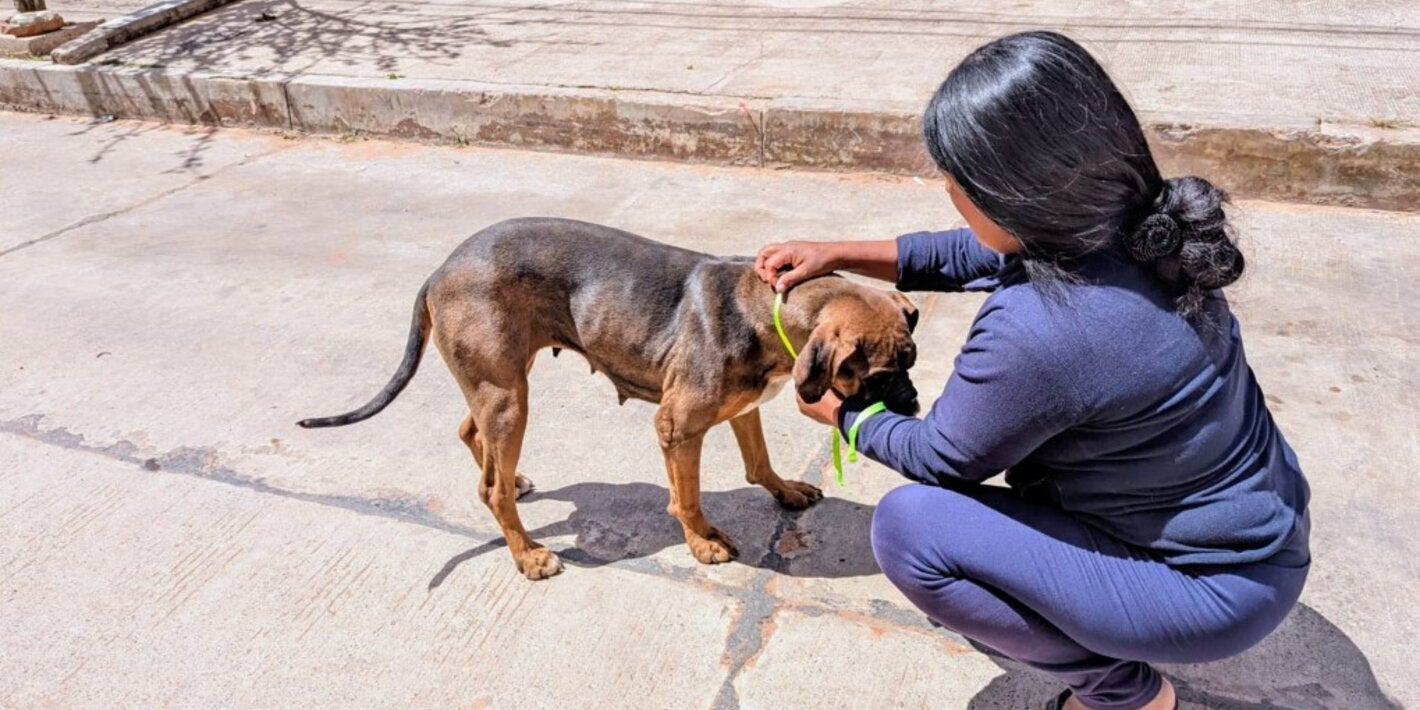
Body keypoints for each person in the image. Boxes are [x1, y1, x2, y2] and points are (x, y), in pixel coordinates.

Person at [754, 31, 1310, 710]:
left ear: (1008, 197)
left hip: (1209, 591)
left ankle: (1124, 695)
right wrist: (833, 252)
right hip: (1259, 524)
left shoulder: (1041, 328)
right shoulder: (1142, 225)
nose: (949, 189)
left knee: (912, 529)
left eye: (954, 178)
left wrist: (849, 416)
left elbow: (942, 459)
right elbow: (969, 254)